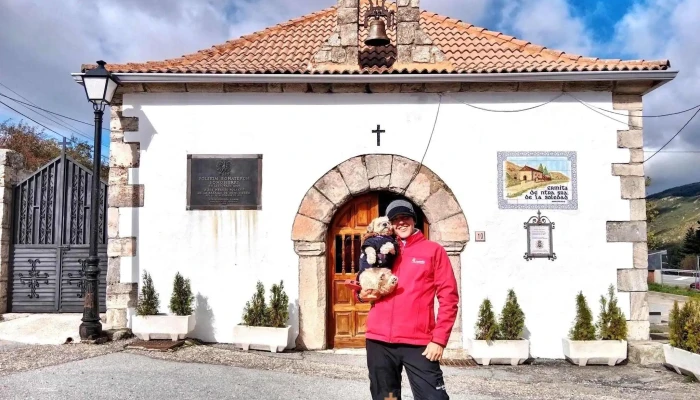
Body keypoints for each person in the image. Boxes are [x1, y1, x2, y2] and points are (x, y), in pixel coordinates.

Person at [356, 199, 459, 400]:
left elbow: (449, 297)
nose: (401, 223)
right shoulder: (380, 248)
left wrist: (439, 339)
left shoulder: (433, 250)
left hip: (419, 343)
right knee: (387, 398)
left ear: (414, 220)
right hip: (379, 341)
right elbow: (361, 279)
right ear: (390, 224)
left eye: (405, 217)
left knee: (433, 398)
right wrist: (359, 295)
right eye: (395, 219)